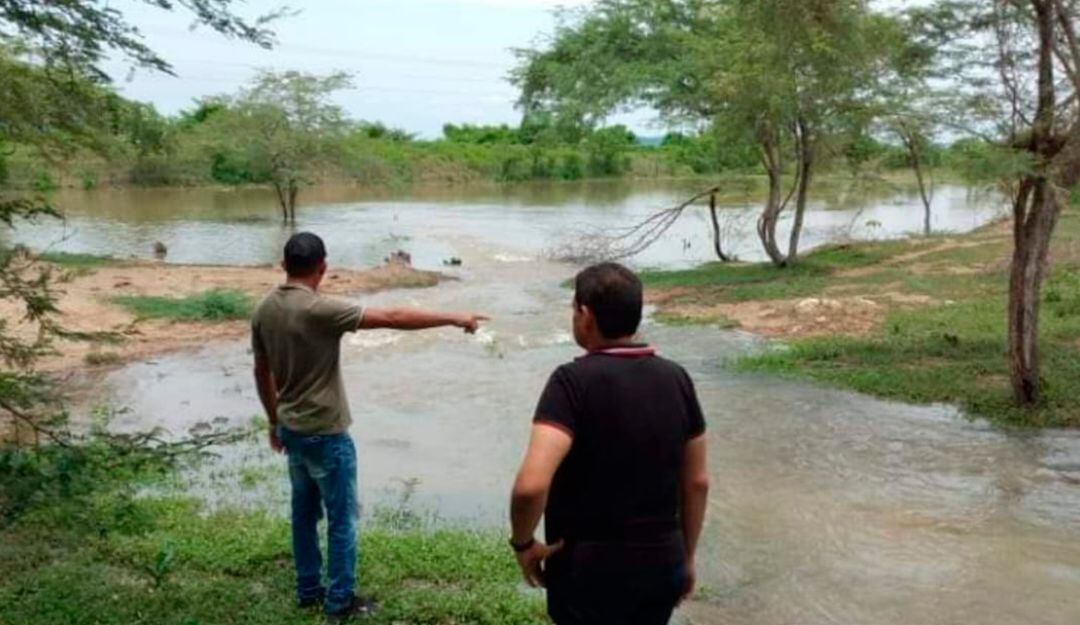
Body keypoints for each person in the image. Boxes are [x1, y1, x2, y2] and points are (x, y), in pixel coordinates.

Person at [252, 232, 487, 623]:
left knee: (303, 513)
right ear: (323, 268)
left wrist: (274, 420)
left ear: (284, 265)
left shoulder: (264, 309)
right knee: (341, 519)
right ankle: (340, 601)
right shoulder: (321, 310)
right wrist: (454, 316)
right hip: (326, 433)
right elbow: (392, 318)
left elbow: (261, 371)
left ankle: (308, 590)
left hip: (292, 428)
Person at [509, 262, 710, 625]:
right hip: (661, 563)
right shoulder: (677, 379)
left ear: (585, 315)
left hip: (588, 570)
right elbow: (697, 482)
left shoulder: (570, 383)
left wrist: (524, 544)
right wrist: (687, 557)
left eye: (574, 309)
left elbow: (531, 486)